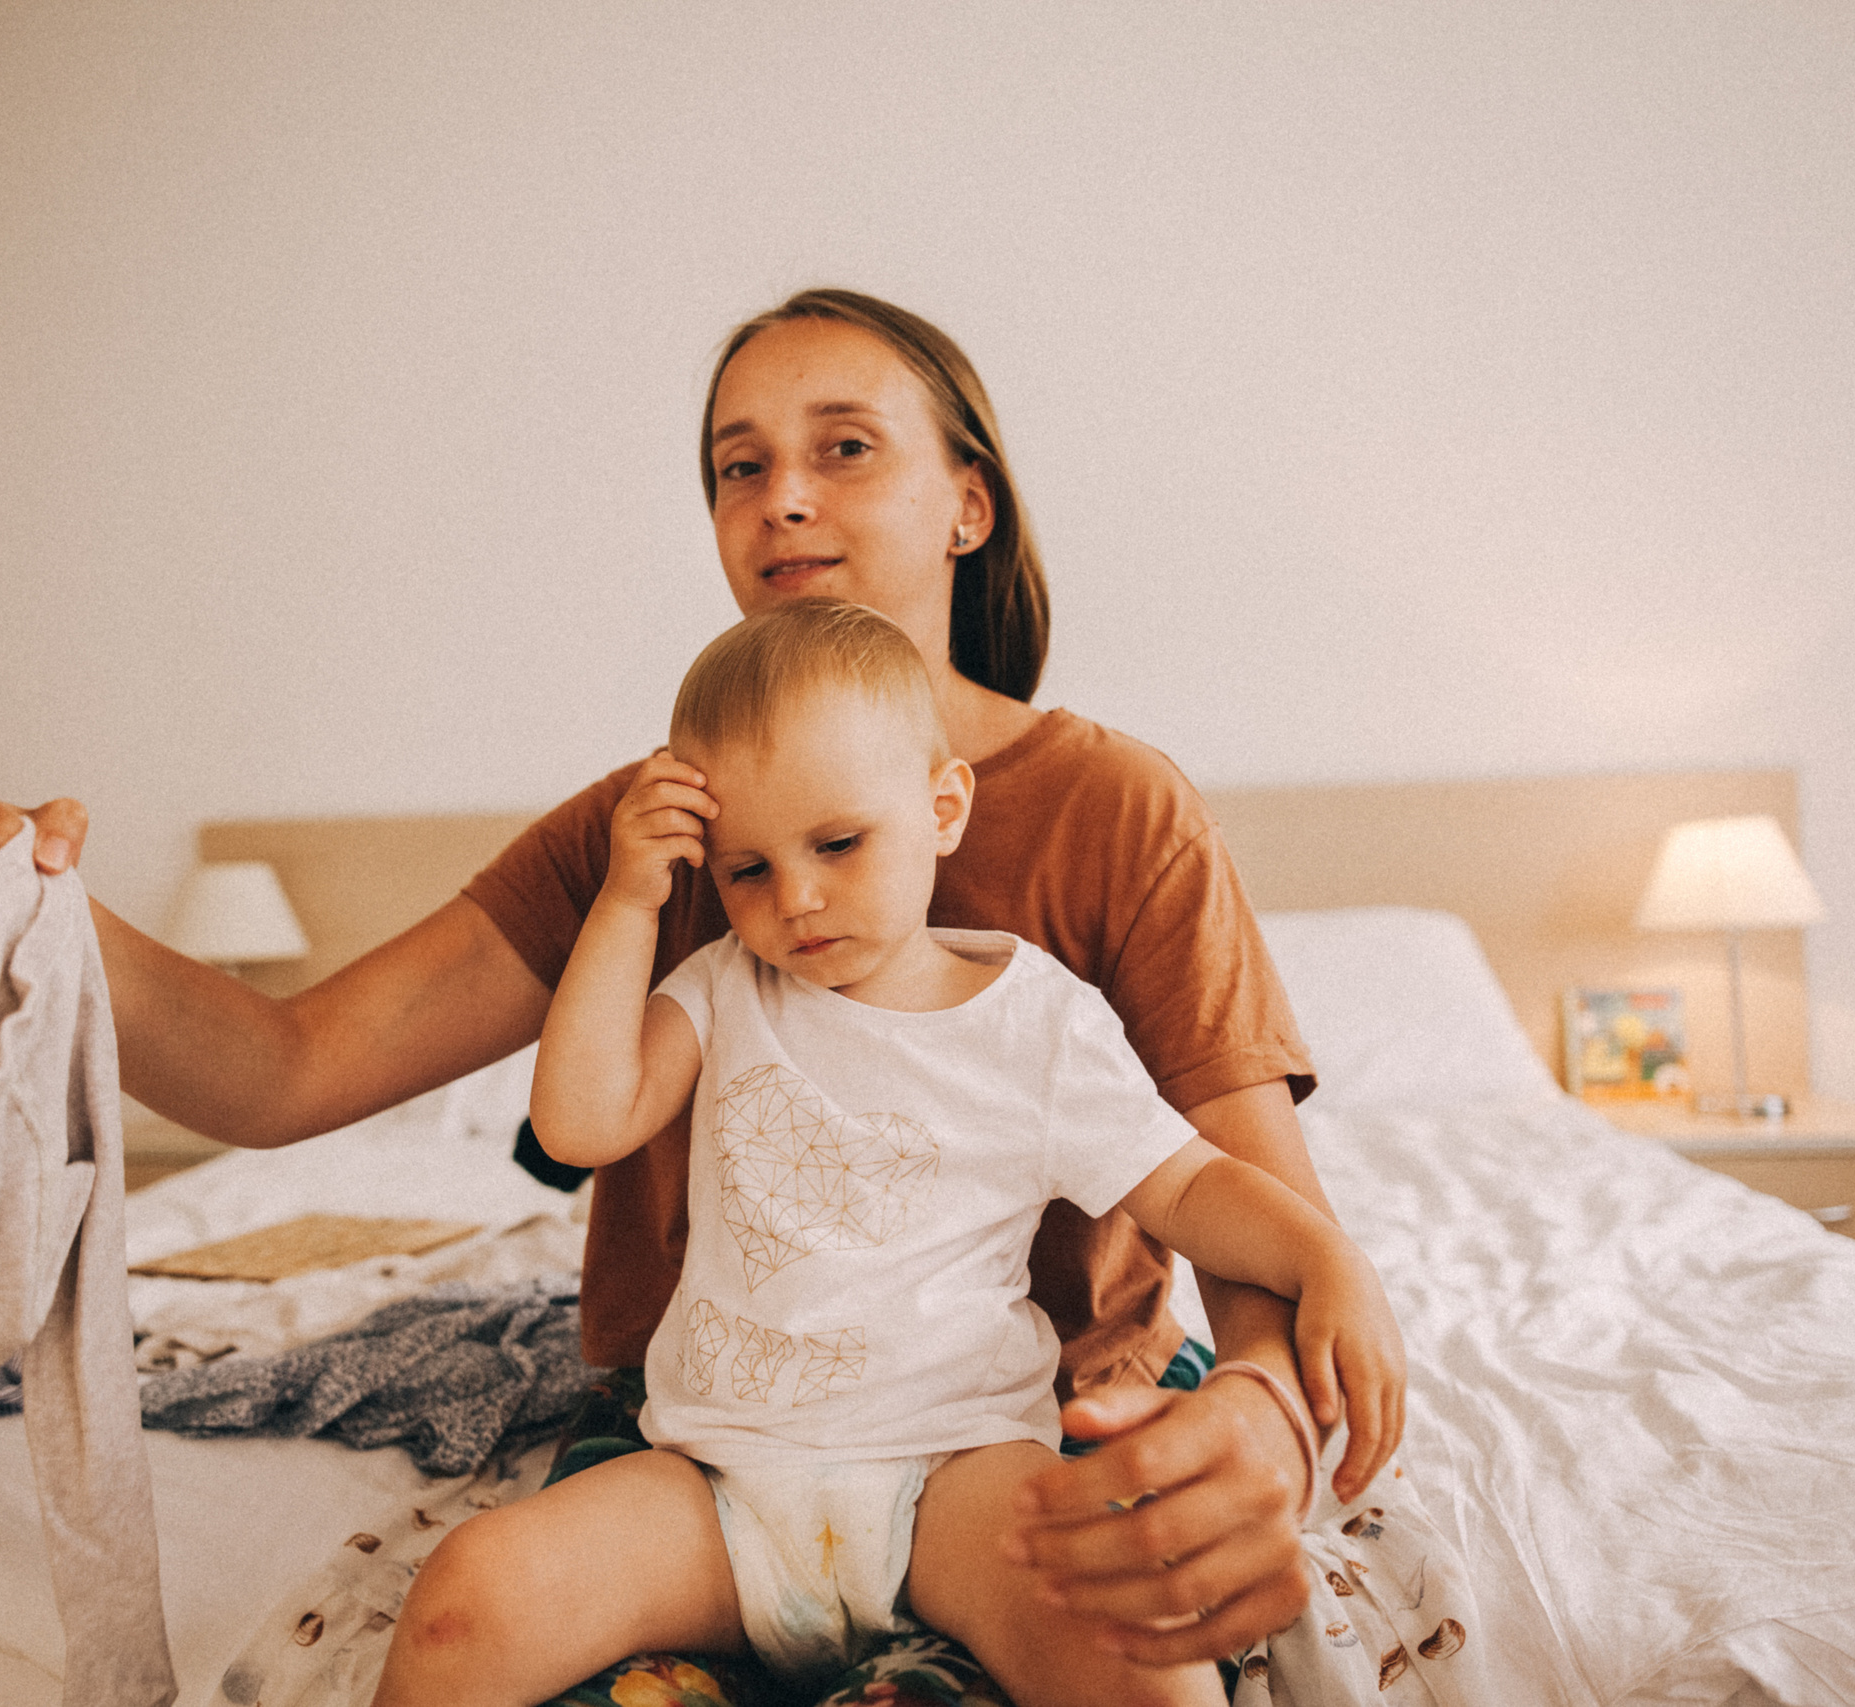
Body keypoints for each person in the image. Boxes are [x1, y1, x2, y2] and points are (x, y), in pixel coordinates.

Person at [0, 288, 1408, 1688]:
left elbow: (1251, 1206)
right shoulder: (654, 834)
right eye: (738, 466)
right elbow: (282, 1069)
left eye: (845, 446)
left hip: (1010, 1427)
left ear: (968, 505)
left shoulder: (1118, 807)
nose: (781, 494)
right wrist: (27, 926)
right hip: (716, 1451)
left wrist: (1264, 1410)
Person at [372, 599, 1389, 1707]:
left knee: (1140, 1634)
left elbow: (1190, 1185)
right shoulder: (720, 988)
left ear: (942, 807)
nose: (795, 899)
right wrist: (626, 899)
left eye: (838, 845)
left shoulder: (1035, 1022)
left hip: (958, 1478)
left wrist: (1324, 1259)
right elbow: (582, 1121)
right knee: (469, 1593)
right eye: (745, 870)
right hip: (716, 1486)